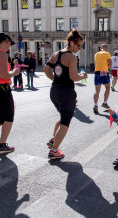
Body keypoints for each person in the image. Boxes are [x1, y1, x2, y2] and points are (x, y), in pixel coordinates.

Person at [44, 28, 87, 160]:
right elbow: (73, 77)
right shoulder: (71, 57)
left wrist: (55, 80)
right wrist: (82, 76)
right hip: (66, 92)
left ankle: (53, 139)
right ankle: (54, 151)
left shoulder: (57, 54)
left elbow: (46, 69)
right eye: (79, 46)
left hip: (54, 91)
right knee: (65, 123)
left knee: (63, 116)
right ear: (72, 43)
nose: (79, 49)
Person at [93, 44, 112, 114]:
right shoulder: (107, 53)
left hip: (97, 72)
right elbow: (110, 63)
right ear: (106, 48)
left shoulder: (96, 54)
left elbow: (96, 62)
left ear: (101, 48)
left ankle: (95, 105)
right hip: (104, 72)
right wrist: (109, 67)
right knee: (107, 88)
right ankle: (105, 102)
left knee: (97, 90)